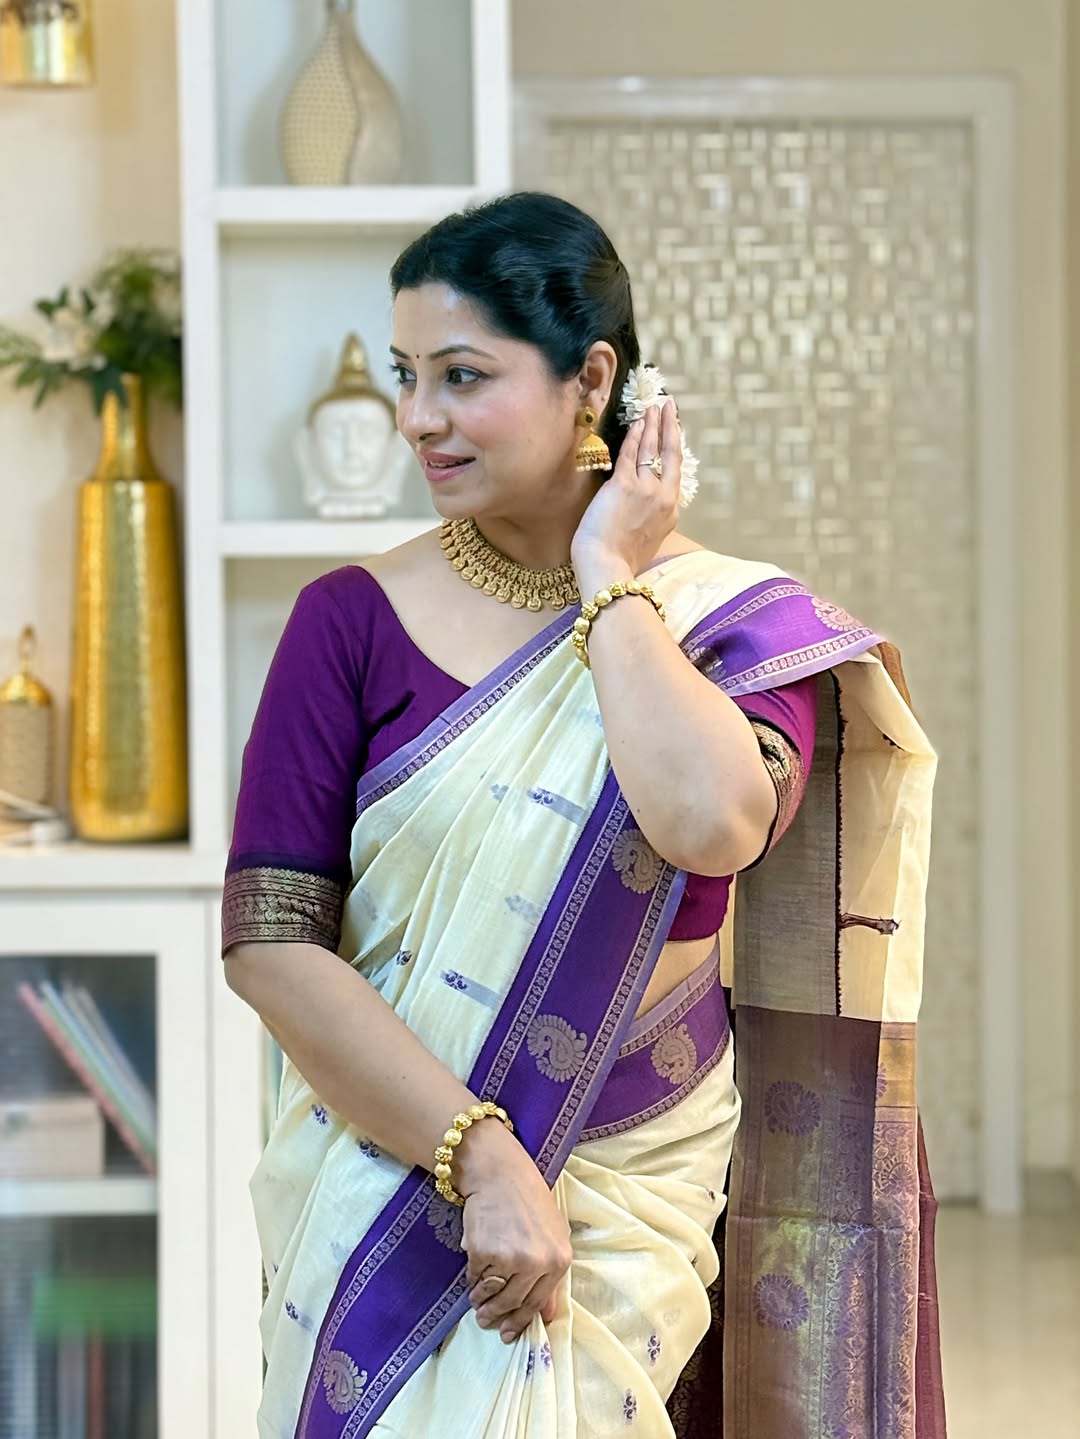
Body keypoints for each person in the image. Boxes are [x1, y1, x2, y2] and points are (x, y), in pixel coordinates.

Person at [222, 192, 944, 1439]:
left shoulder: (736, 629)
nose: (417, 419)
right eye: (407, 375)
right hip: (391, 1185)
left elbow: (711, 824)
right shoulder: (347, 621)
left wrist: (612, 582)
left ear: (590, 378)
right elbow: (272, 942)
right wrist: (478, 1153)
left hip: (630, 1197)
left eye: (462, 375)